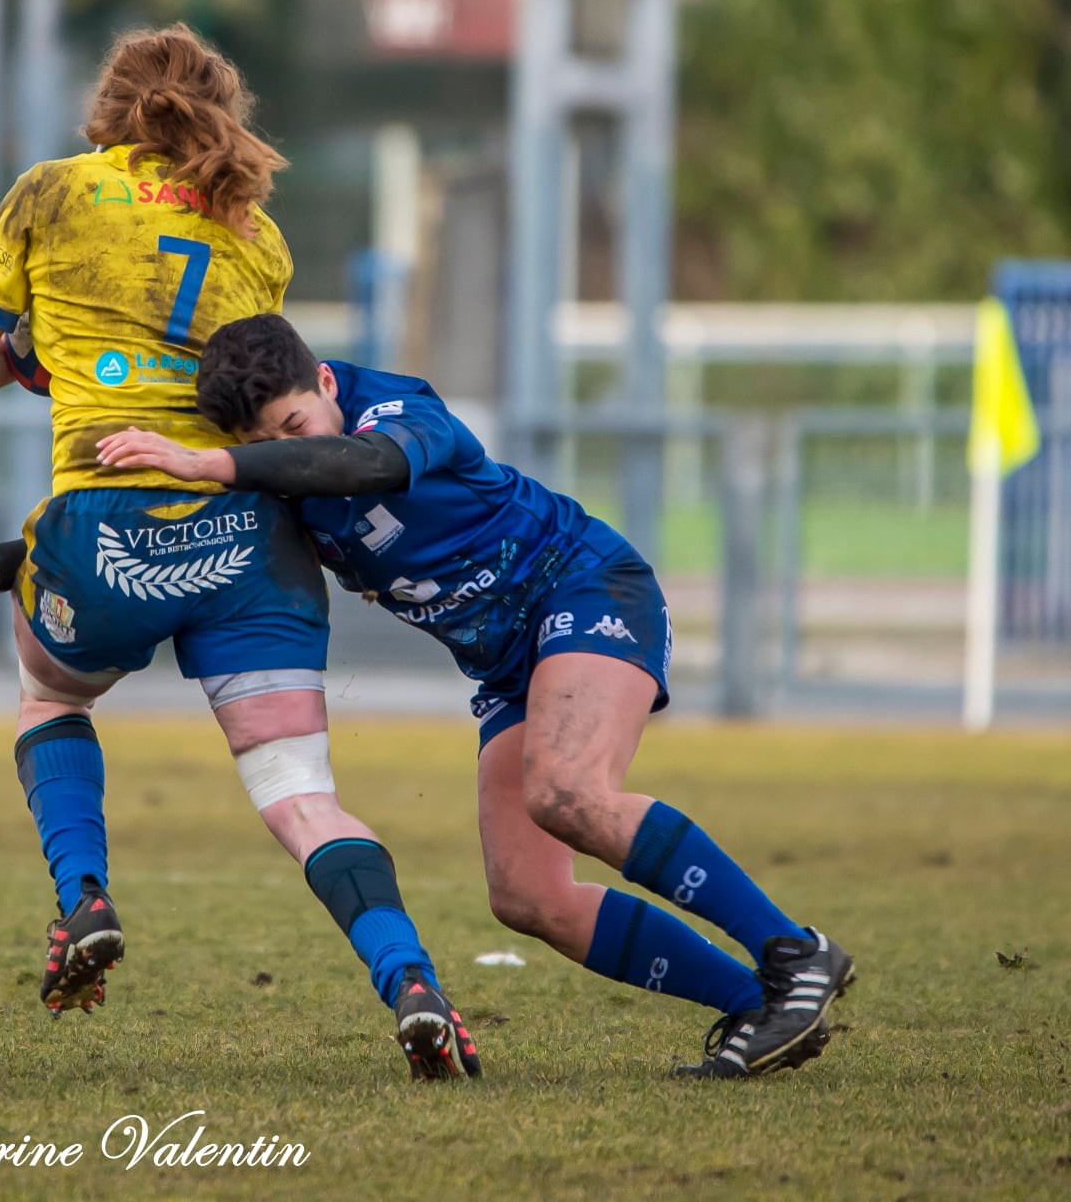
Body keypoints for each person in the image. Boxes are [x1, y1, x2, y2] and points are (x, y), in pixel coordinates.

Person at [0, 25, 478, 1079]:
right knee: (299, 791)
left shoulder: (50, 191)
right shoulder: (252, 231)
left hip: (105, 525)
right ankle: (409, 978)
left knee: (53, 703)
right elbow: (242, 387)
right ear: (222, 108)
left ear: (108, 106)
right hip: (247, 541)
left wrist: (38, 355)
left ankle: (82, 894)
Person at [78, 314, 852, 1078]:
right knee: (527, 896)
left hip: (582, 587)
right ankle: (759, 1003)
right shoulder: (274, 473)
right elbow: (170, 535)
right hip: (509, 666)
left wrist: (216, 464)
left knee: (567, 791)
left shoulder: (399, 408)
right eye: (265, 443)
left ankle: (795, 951)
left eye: (295, 423)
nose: (288, 449)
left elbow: (364, 465)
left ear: (323, 381)